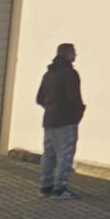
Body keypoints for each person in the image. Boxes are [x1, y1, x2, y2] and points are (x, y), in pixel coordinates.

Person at [35, 43, 85, 199]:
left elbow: (39, 98)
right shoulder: (70, 73)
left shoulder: (49, 74)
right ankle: (60, 188)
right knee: (65, 154)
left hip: (49, 119)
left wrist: (50, 108)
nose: (76, 55)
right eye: (74, 52)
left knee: (48, 154)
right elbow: (74, 98)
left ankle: (45, 186)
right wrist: (78, 113)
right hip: (65, 119)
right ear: (68, 54)